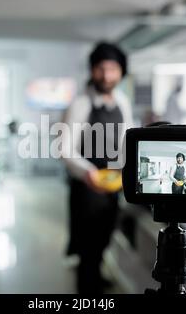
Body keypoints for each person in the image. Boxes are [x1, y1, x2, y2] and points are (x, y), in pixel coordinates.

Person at [61, 42, 133, 293]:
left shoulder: (122, 102)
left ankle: (96, 279)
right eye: (101, 69)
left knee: (104, 237)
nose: (106, 75)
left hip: (113, 184)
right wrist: (87, 173)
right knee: (87, 247)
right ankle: (87, 291)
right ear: (92, 71)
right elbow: (65, 149)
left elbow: (126, 141)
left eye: (112, 69)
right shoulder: (80, 103)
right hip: (87, 186)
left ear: (121, 72)